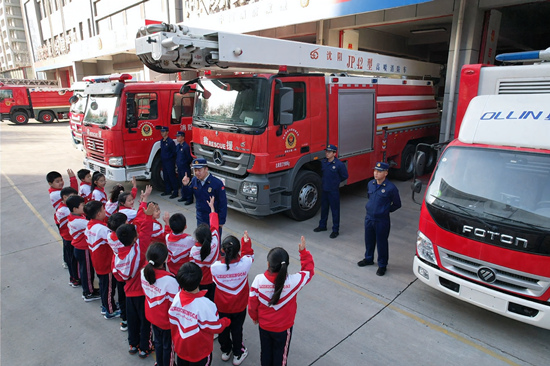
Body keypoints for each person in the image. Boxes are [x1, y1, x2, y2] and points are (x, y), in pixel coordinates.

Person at [248, 236, 314, 366]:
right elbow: (308, 272)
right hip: (284, 328)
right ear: (286, 265)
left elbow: (252, 304)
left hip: (264, 326)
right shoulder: (294, 282)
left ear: (268, 264)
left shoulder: (258, 280)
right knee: (280, 355)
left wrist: (255, 317)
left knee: (266, 352)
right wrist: (303, 252)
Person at [113, 186, 155, 359]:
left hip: (129, 292)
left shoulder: (118, 253)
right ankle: (145, 347)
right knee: (146, 321)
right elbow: (146, 230)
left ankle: (133, 344)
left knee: (132, 320)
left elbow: (117, 275)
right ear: (135, 237)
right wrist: (148, 214)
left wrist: (143, 203)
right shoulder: (140, 249)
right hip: (142, 292)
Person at [169, 262, 230, 366]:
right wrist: (226, 321)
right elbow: (215, 327)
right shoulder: (206, 304)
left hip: (181, 349)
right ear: (201, 278)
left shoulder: (177, 298)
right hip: (200, 353)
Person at [211, 231, 254, 365]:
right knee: (237, 329)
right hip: (239, 306)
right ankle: (237, 353)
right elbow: (249, 255)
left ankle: (225, 351)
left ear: (223, 250)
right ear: (238, 251)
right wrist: (246, 242)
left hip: (222, 306)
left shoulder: (215, 267)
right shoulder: (245, 264)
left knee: (223, 329)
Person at [357, 162, 402, 276]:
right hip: (369, 218)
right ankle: (368, 258)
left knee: (382, 243)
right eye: (375, 171)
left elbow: (397, 204)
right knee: (369, 240)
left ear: (386, 173)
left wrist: (385, 210)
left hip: (382, 220)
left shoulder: (391, 188)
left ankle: (382, 265)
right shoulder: (370, 184)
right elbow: (370, 198)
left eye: (379, 171)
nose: (376, 173)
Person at [141, 242, 179, 366]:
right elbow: (174, 306)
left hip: (152, 315)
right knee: (168, 346)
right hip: (166, 321)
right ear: (165, 260)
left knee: (158, 342)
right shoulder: (170, 280)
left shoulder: (144, 272)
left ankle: (160, 362)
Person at [84, 200, 120, 318]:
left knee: (104, 285)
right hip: (105, 263)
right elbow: (114, 240)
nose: (105, 211)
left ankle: (106, 305)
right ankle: (110, 310)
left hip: (98, 262)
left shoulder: (90, 225)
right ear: (99, 214)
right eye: (103, 209)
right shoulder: (101, 229)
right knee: (109, 288)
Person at [181, 158, 228, 237]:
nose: (197, 173)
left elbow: (222, 203)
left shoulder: (217, 183)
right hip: (201, 217)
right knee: (202, 241)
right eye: (195, 170)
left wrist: (221, 221)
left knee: (214, 241)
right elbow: (188, 195)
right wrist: (185, 185)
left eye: (199, 170)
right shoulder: (194, 180)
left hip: (213, 218)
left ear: (206, 169)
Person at [67, 195, 100, 302]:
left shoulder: (74, 217)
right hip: (83, 248)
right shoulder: (79, 221)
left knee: (86, 270)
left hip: (79, 248)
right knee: (87, 271)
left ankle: (89, 289)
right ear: (75, 209)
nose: (84, 207)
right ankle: (88, 292)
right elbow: (92, 224)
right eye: (82, 205)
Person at [313, 144, 349, 239]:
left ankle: (335, 230)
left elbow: (345, 176)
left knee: (335, 211)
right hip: (324, 190)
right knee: (324, 209)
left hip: (333, 191)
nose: (327, 153)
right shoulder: (324, 162)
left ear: (334, 153)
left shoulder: (339, 165)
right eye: (326, 151)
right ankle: (322, 226)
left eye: (329, 152)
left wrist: (335, 182)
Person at [190, 197, 220, 303]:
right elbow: (214, 225)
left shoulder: (194, 250)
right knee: (212, 299)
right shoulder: (215, 241)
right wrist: (212, 208)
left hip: (201, 281)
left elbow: (192, 265)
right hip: (214, 279)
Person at [56, 187, 80, 287]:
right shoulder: (66, 210)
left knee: (71, 259)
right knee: (73, 260)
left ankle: (73, 277)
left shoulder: (61, 208)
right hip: (70, 238)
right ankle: (74, 279)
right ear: (64, 197)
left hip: (66, 237)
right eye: (71, 197)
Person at [159, 126, 179, 199]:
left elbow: (174, 152)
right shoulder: (162, 141)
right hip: (164, 161)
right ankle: (168, 190)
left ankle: (175, 191)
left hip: (169, 161)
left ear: (167, 132)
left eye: (163, 132)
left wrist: (170, 158)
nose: (162, 133)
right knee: (165, 176)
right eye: (161, 132)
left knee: (172, 176)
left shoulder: (170, 142)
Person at [175, 131, 193, 204]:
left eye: (178, 136)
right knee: (182, 182)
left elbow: (189, 158)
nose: (177, 138)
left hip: (185, 167)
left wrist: (185, 164)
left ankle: (189, 198)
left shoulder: (186, 147)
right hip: (179, 167)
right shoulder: (178, 146)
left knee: (187, 183)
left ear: (182, 137)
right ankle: (184, 196)